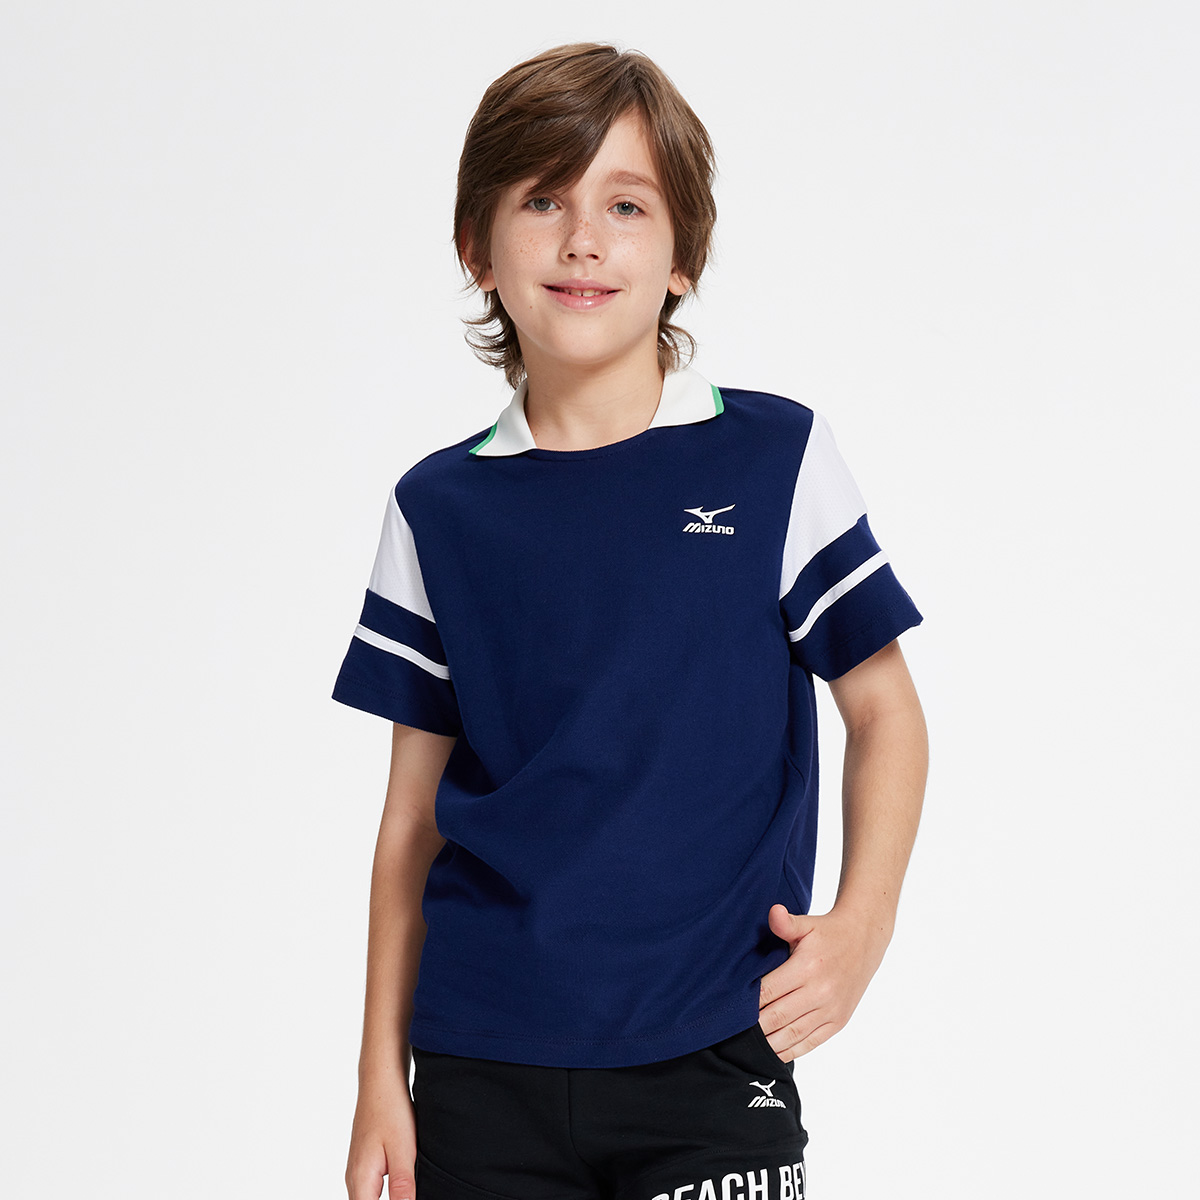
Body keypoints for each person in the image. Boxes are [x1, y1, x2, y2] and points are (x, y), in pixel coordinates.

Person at [334, 42, 928, 1200]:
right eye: (541, 200)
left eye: (625, 204)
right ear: (475, 246)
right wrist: (376, 1079)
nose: (582, 240)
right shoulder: (438, 508)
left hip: (712, 1049)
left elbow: (886, 712)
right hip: (480, 1059)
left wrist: (863, 926)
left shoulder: (774, 459)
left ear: (682, 254)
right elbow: (410, 824)